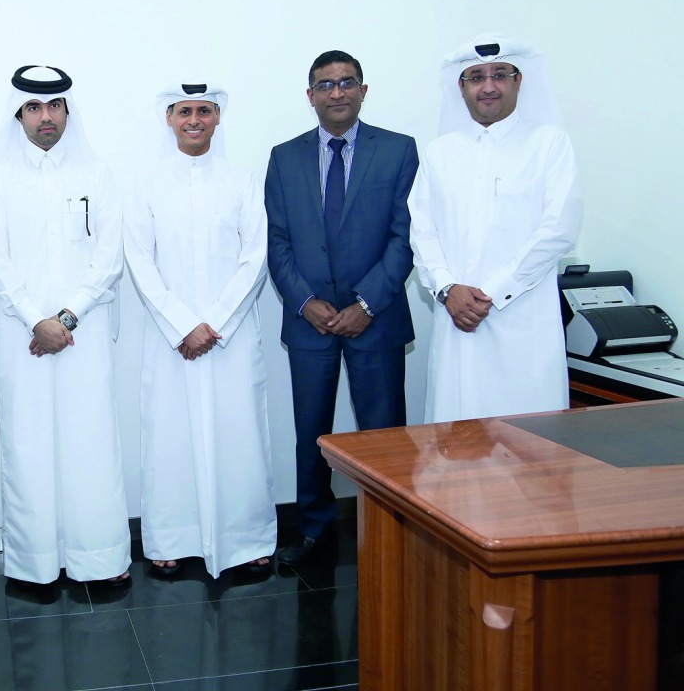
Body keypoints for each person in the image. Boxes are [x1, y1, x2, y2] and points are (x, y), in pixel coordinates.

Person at [0, 65, 131, 587]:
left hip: (80, 334)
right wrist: (34, 320)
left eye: (56, 106)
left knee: (90, 442)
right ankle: (33, 565)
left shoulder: (97, 174)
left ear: (67, 111)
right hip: (24, 339)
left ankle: (101, 561)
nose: (47, 117)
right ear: (19, 115)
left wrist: (65, 318)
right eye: (35, 108)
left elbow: (109, 257)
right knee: (27, 445)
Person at [265, 51, 419, 566]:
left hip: (375, 320)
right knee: (312, 431)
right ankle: (313, 529)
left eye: (346, 82)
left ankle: (389, 530)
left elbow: (405, 237)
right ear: (310, 95)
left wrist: (367, 303)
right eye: (325, 85)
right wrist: (305, 302)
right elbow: (277, 241)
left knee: (383, 434)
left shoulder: (398, 151)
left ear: (363, 89)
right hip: (309, 322)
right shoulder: (284, 157)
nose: (337, 92)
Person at [124, 82, 275, 579]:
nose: (195, 120)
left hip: (227, 337)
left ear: (217, 119)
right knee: (170, 438)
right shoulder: (146, 184)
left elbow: (256, 257)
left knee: (239, 435)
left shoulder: (242, 181)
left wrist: (214, 322)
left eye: (205, 111)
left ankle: (247, 539)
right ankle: (171, 539)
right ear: (169, 118)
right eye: (185, 111)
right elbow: (140, 261)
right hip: (172, 340)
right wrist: (184, 325)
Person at [409, 34, 582, 423]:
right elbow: (422, 231)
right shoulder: (440, 152)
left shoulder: (548, 144)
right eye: (476, 77)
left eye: (500, 74)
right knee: (455, 454)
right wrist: (447, 289)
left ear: (518, 80)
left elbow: (559, 231)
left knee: (527, 460)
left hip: (521, 324)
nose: (488, 86)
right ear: (462, 86)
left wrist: (492, 293)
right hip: (457, 325)